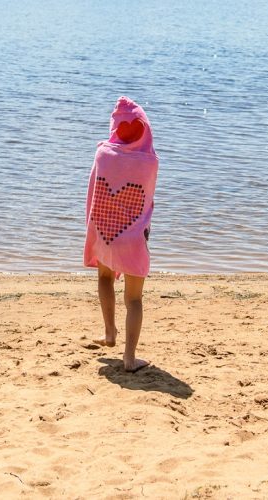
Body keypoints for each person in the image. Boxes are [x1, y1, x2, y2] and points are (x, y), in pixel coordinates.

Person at [83, 96, 158, 372]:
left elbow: (93, 193)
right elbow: (148, 201)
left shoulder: (103, 153)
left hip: (105, 230)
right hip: (134, 236)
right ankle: (129, 357)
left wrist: (93, 228)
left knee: (104, 277)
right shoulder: (149, 162)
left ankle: (109, 333)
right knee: (134, 299)